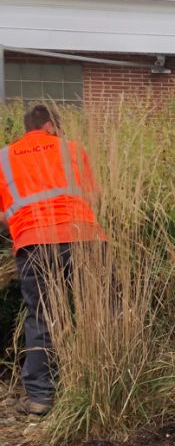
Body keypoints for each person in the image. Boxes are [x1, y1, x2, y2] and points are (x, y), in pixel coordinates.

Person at [0, 104, 106, 415]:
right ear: (49, 126)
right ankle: (101, 382)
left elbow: (4, 215)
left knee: (41, 315)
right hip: (84, 238)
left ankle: (40, 398)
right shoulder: (72, 149)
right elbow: (93, 197)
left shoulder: (4, 157)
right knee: (98, 307)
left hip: (34, 243)